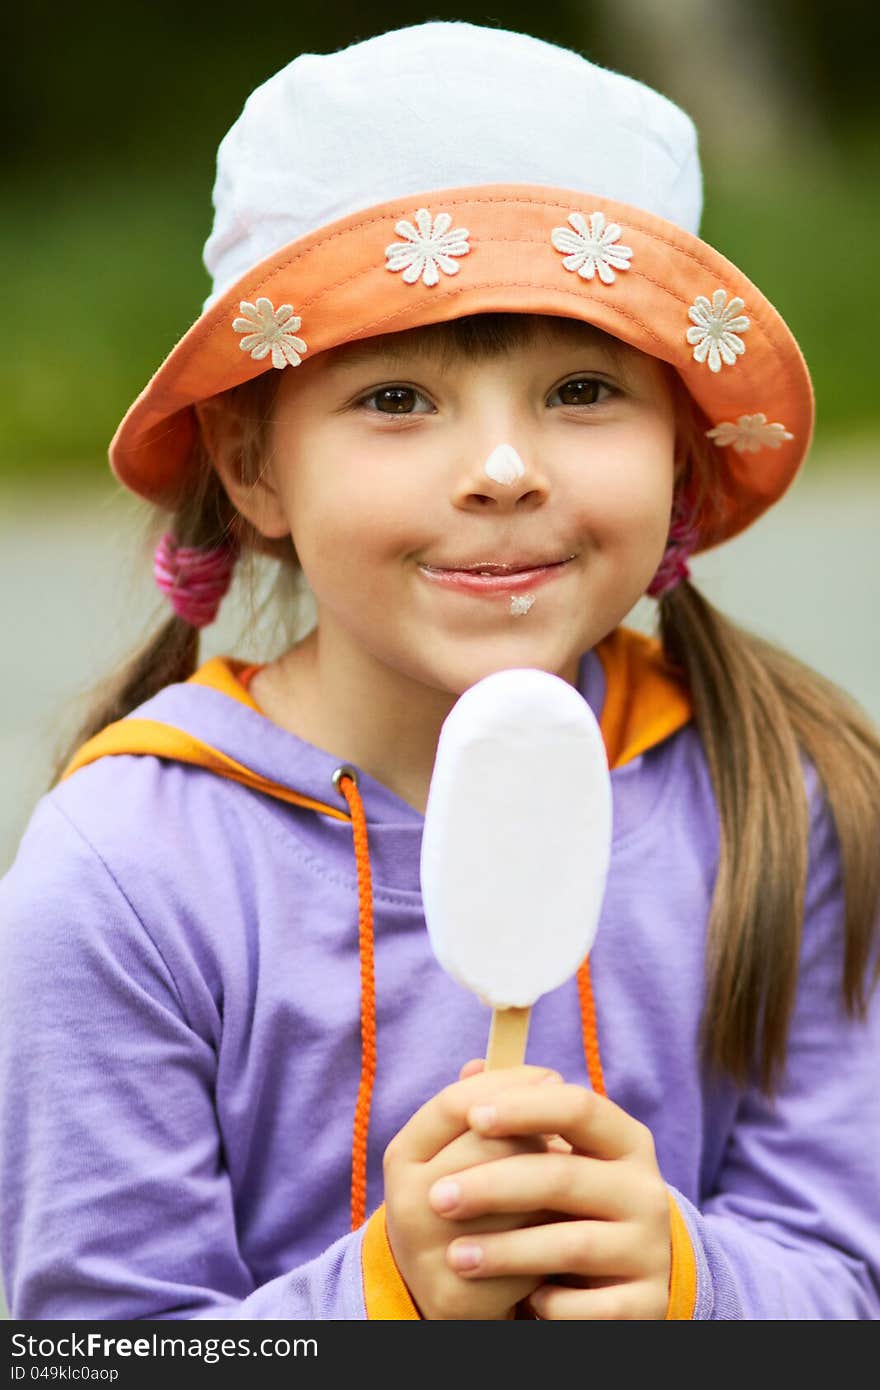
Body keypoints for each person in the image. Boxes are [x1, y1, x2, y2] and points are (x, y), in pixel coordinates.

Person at [1, 20, 878, 1323]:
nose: (505, 468)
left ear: (683, 454)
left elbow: (847, 1280)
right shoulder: (126, 873)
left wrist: (695, 1284)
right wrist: (384, 1296)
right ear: (252, 466)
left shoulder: (789, 806)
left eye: (582, 389)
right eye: (396, 399)